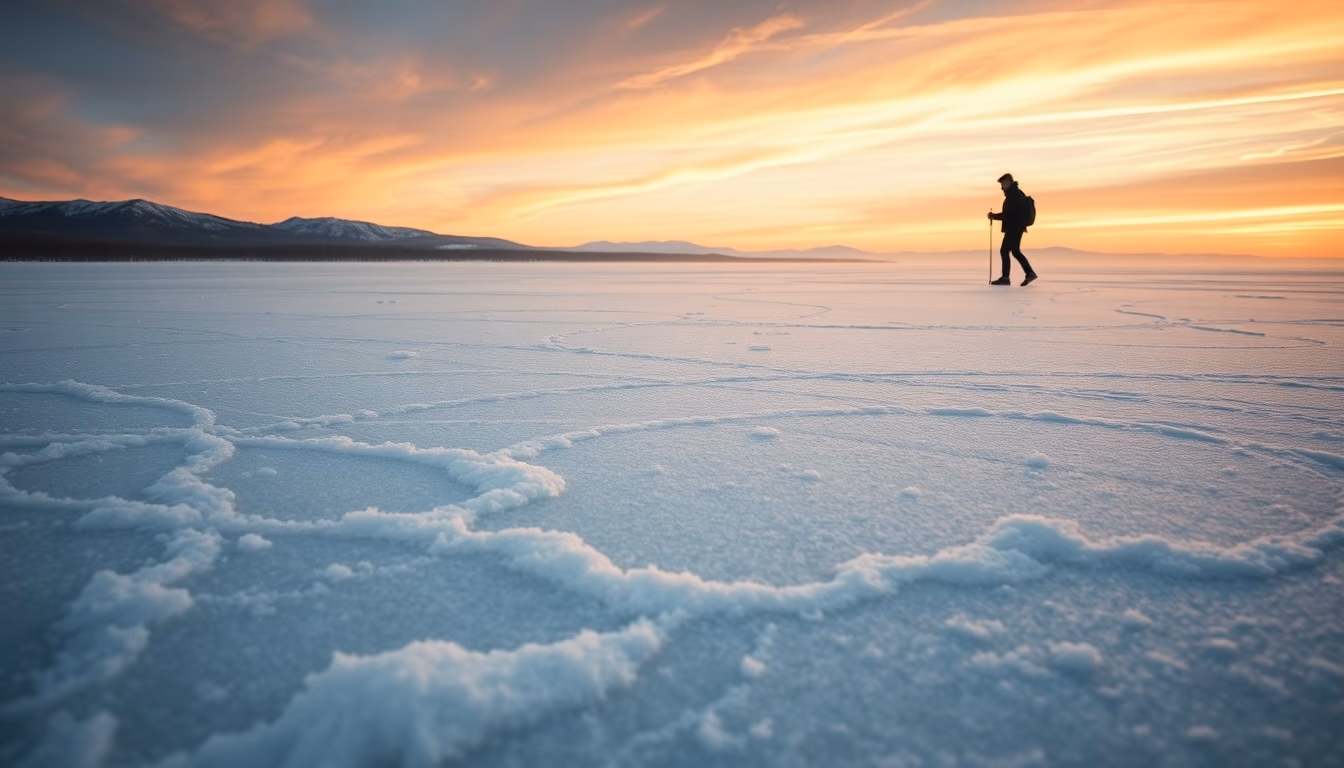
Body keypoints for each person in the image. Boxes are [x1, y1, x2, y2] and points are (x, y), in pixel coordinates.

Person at [987, 173, 1037, 286]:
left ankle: (1006, 278)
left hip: (1014, 228)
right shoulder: (1014, 194)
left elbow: (1009, 215)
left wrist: (994, 216)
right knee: (1013, 251)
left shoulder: (1014, 195)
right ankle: (1029, 273)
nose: (1002, 187)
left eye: (1003, 184)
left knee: (1005, 251)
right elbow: (1009, 214)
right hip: (1015, 227)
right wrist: (995, 216)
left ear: (1009, 182)